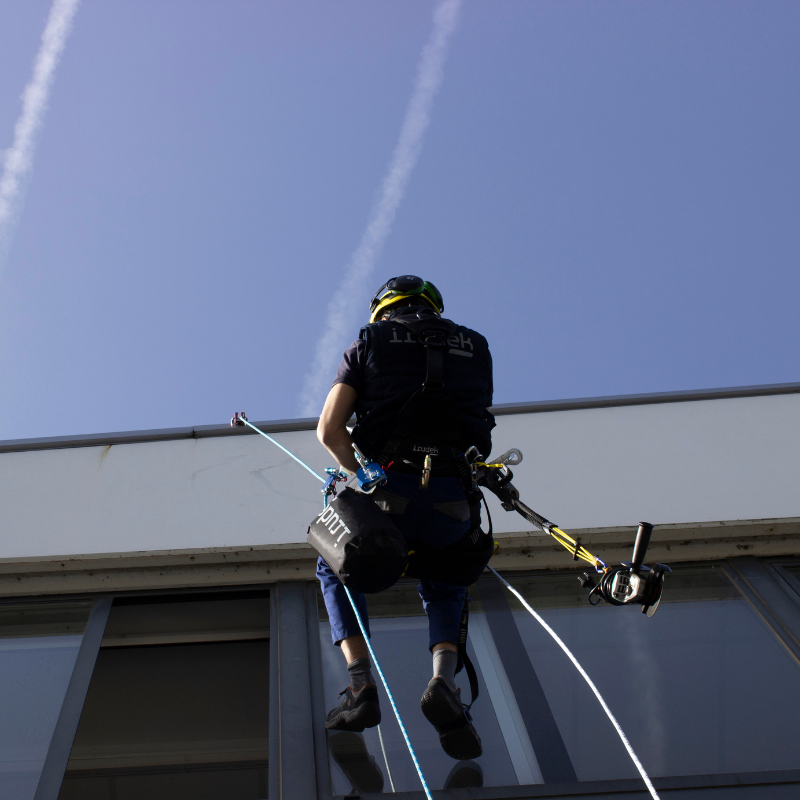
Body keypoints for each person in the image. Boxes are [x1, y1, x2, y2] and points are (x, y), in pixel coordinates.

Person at [315, 275, 494, 761]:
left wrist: (363, 472)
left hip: (389, 490)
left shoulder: (366, 342)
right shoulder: (475, 346)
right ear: (432, 306)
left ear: (383, 310)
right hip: (453, 500)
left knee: (337, 564)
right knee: (446, 581)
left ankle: (359, 687)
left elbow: (330, 431)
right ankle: (443, 682)